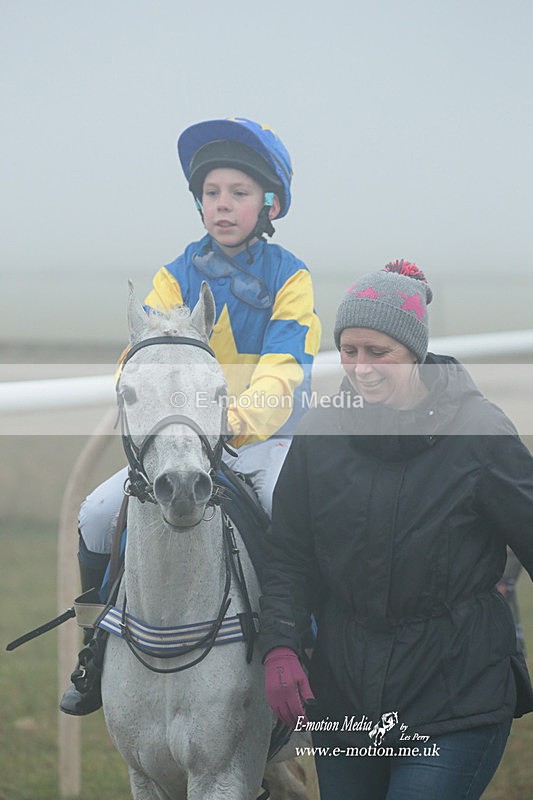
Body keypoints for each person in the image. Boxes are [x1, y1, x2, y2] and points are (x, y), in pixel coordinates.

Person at [59, 116, 321, 715]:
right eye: (212, 194)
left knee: (294, 514)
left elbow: (284, 372)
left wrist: (232, 421)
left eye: (239, 193)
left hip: (261, 442)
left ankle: (310, 649)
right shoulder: (172, 276)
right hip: (179, 445)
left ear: (270, 202)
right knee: (98, 515)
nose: (222, 206)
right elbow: (137, 363)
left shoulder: (292, 278)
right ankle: (97, 647)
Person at [259, 260, 533, 800]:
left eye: (378, 352)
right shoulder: (320, 432)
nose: (361, 368)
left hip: (456, 694)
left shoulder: (479, 434)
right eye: (350, 350)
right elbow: (289, 554)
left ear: (416, 352)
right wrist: (280, 645)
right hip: (345, 698)